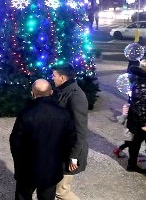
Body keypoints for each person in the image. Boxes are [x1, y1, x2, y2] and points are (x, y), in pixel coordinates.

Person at [10, 79, 77, 200]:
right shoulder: (64, 114)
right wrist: (63, 159)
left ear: (32, 93)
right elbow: (71, 140)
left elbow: (15, 143)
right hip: (52, 169)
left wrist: (19, 164)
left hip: (27, 170)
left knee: (23, 196)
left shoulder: (25, 113)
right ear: (51, 92)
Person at [51, 64, 89, 200]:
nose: (52, 78)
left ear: (62, 77)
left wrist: (74, 157)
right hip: (61, 150)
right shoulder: (64, 91)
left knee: (61, 191)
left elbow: (80, 130)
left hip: (70, 153)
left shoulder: (76, 96)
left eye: (54, 75)